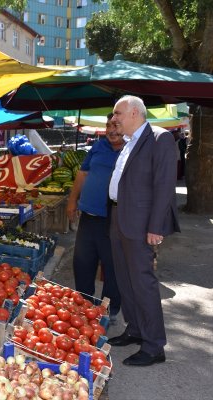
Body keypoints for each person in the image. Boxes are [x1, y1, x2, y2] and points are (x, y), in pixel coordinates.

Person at [107, 95, 180, 367]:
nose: (114, 119)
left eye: (118, 114)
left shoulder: (160, 138)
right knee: (125, 280)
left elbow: (164, 186)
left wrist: (155, 226)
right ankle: (135, 329)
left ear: (135, 113)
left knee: (143, 283)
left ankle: (153, 346)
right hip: (119, 217)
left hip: (140, 223)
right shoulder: (128, 142)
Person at [66, 113, 123, 321]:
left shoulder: (131, 151)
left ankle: (109, 310)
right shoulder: (98, 146)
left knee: (113, 267)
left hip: (113, 220)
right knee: (82, 264)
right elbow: (82, 174)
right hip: (88, 217)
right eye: (108, 125)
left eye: (116, 125)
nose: (111, 130)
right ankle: (84, 306)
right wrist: (72, 201)